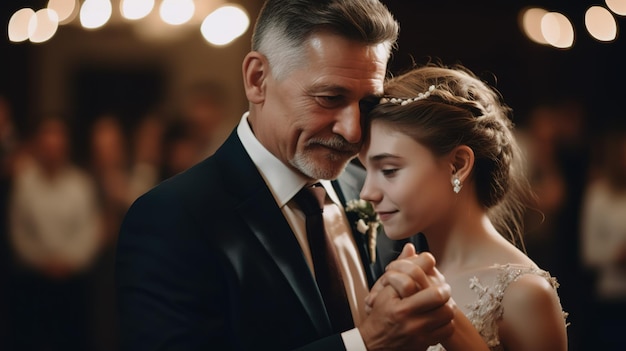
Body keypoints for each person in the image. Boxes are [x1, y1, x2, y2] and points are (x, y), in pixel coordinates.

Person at [115, 1, 488, 350]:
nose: (354, 131)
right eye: (329, 98)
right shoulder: (173, 218)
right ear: (257, 79)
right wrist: (366, 342)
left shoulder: (373, 194)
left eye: (368, 103)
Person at [359, 64, 569, 350]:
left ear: (457, 165)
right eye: (365, 170)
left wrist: (451, 325)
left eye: (389, 170)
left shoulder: (523, 294)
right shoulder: (398, 277)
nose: (367, 192)